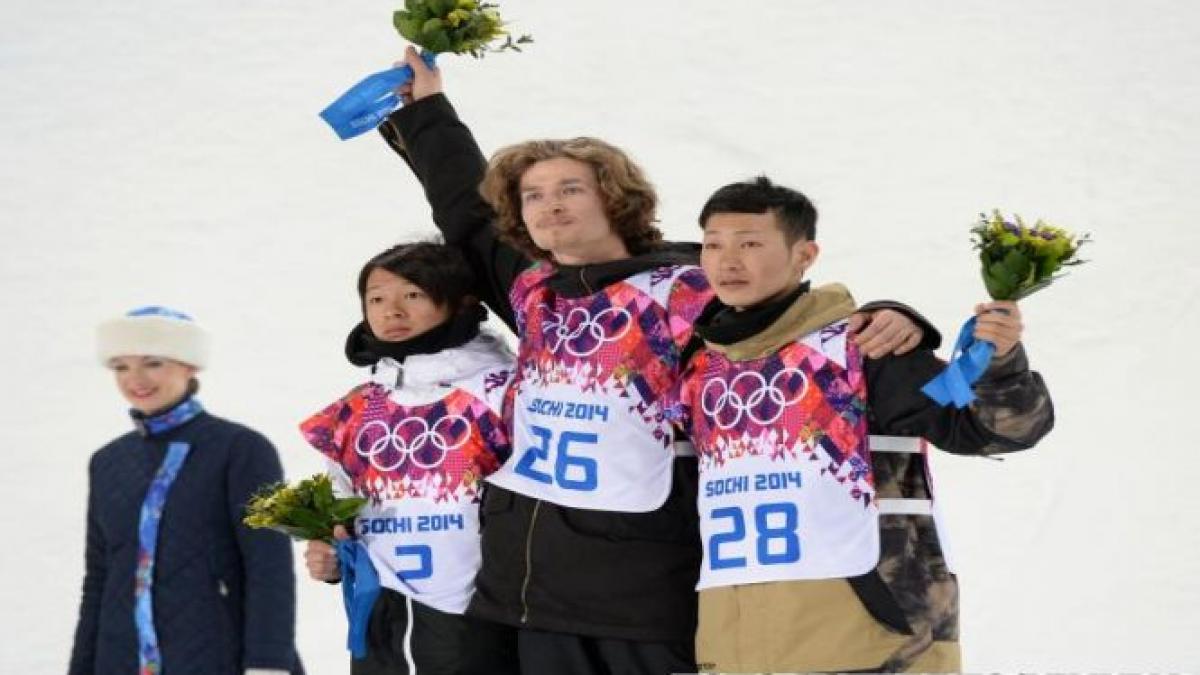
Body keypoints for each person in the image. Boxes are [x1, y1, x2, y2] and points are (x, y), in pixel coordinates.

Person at [372, 48, 939, 675]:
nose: (549, 204)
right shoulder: (534, 289)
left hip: (639, 587)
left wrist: (894, 313)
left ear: (615, 200)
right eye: (533, 195)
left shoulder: (686, 286)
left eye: (570, 189)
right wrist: (428, 111)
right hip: (530, 588)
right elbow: (464, 210)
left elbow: (784, 314)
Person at [670, 177, 1056, 672]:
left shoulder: (862, 350)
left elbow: (994, 430)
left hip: (870, 641)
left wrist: (1000, 360)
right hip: (735, 644)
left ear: (804, 254)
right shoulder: (699, 367)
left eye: (751, 244)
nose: (728, 261)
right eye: (714, 245)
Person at [299, 242, 520, 675]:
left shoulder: (503, 392)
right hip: (383, 622)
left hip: (482, 616)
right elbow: (340, 499)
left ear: (462, 301)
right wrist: (330, 545)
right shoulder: (360, 407)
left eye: (413, 295)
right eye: (377, 299)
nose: (391, 312)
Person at [69, 306, 303, 675]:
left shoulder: (244, 449)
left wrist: (268, 663)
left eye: (153, 362)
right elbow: (99, 578)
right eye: (121, 366)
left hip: (218, 654)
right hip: (119, 659)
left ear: (189, 365)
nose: (136, 378)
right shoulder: (107, 462)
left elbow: (269, 566)